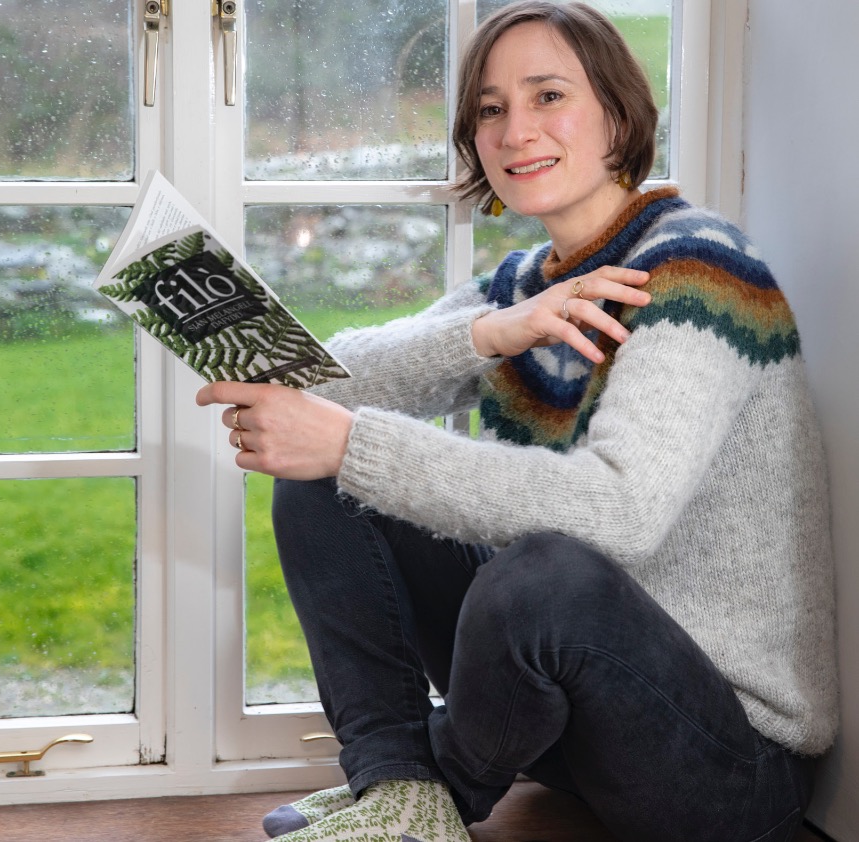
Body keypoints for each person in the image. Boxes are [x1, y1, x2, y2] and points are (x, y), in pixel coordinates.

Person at [196, 2, 839, 840]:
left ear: (617, 114)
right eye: (490, 109)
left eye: (548, 96)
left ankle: (444, 788)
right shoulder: (526, 284)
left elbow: (622, 512)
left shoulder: (699, 270)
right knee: (326, 484)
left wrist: (352, 442)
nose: (515, 130)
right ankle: (397, 790)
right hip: (569, 732)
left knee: (540, 567)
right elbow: (323, 381)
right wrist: (487, 333)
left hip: (723, 763)